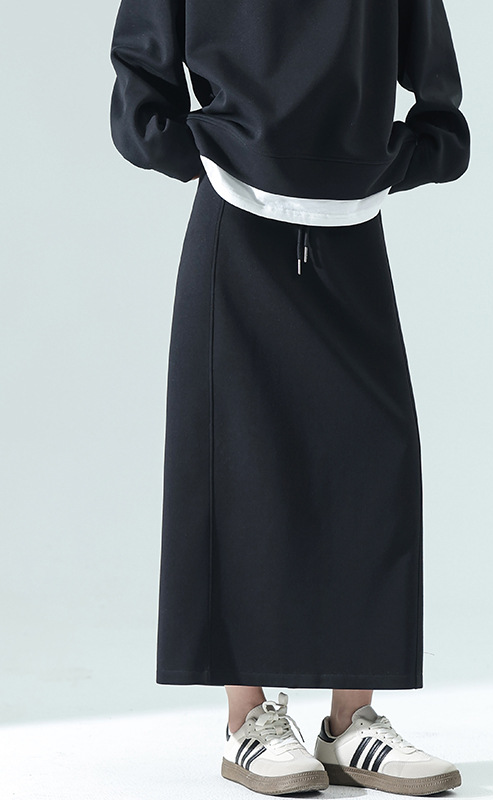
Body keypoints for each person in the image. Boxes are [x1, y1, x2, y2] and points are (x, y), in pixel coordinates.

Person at [108, 0, 470, 795]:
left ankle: (351, 724)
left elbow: (439, 98)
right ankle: (248, 720)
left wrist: (381, 160)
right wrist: (213, 152)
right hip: (236, 218)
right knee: (239, 458)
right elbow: (139, 81)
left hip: (351, 221)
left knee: (372, 460)